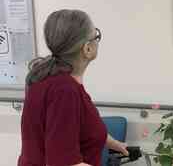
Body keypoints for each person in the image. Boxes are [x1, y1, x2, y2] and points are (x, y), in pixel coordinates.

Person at [18, 10, 129, 166]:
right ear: (87, 49)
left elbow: (81, 127)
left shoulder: (45, 75)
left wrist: (115, 144)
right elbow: (63, 163)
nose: (97, 40)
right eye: (96, 36)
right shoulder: (64, 91)